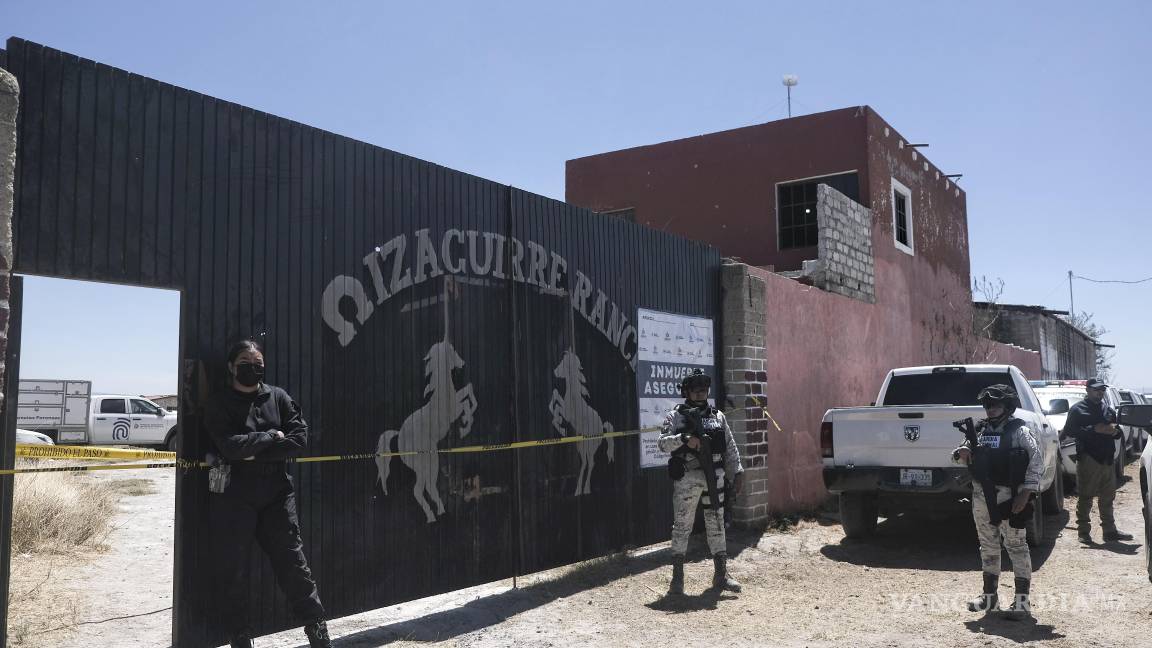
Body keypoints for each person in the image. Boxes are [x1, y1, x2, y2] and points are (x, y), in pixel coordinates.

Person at [204, 339, 332, 648]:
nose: (253, 368)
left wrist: (252, 450)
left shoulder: (278, 397)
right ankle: (240, 638)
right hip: (234, 497)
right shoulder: (219, 402)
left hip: (276, 494)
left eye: (257, 362)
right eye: (245, 363)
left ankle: (318, 634)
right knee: (233, 569)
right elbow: (228, 446)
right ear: (232, 367)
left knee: (294, 566)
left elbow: (299, 439)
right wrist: (270, 437)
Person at [952, 384, 1042, 616]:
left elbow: (1036, 460)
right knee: (988, 545)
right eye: (987, 405)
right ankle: (989, 597)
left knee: (1016, 546)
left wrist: (1026, 493)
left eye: (996, 405)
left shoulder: (1019, 431)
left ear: (1008, 406)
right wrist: (961, 452)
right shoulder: (980, 430)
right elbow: (961, 453)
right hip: (982, 495)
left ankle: (1022, 603)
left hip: (1010, 497)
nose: (991, 409)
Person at [658, 369, 745, 595]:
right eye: (695, 389)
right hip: (688, 475)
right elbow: (662, 443)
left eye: (704, 389)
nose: (700, 393)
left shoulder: (717, 417)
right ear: (686, 391)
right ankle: (677, 580)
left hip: (714, 476)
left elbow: (730, 447)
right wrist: (685, 439)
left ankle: (721, 575)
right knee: (682, 526)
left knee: (716, 522)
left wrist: (737, 472)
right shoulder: (676, 416)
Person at [1063, 378, 1132, 544]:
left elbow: (1117, 430)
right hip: (1088, 458)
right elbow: (1070, 430)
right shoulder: (1077, 410)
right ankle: (1084, 532)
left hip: (1107, 458)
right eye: (1096, 389)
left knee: (1108, 496)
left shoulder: (1107, 409)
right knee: (1086, 496)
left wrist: (1115, 432)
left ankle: (1109, 530)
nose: (1099, 392)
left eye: (1102, 389)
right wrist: (1093, 430)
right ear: (1088, 390)